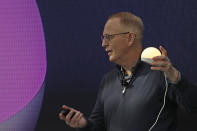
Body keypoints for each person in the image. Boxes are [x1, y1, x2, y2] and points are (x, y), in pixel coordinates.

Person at [59, 12, 197, 131]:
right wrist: (83, 124)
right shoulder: (108, 81)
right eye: (103, 38)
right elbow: (97, 127)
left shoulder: (162, 73)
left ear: (130, 38)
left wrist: (175, 77)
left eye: (109, 37)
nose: (103, 44)